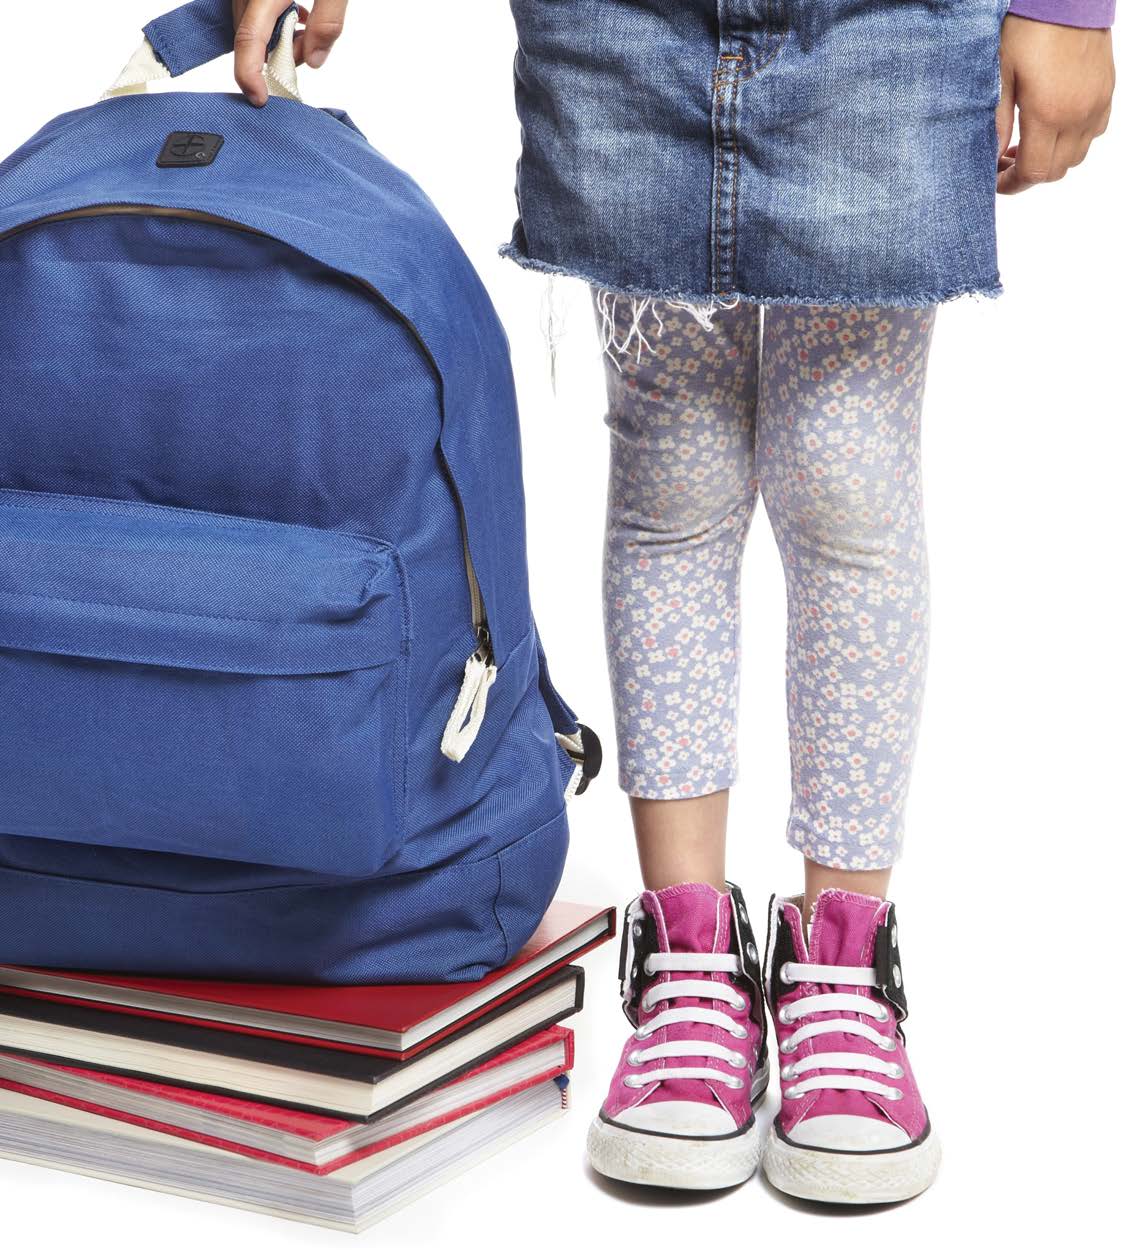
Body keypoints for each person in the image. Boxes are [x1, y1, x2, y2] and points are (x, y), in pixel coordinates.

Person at [230, 0, 1116, 1204]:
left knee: (847, 482)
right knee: (671, 477)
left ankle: (842, 964)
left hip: (886, 25)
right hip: (623, 26)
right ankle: (689, 954)